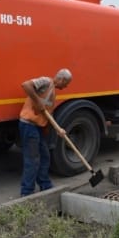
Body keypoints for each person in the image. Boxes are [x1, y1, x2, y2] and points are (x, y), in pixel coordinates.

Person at [19, 68, 72, 196]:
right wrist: (37, 102)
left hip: (38, 127)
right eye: (66, 83)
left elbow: (48, 115)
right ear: (62, 79)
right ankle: (27, 192)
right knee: (33, 159)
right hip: (29, 125)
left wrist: (58, 129)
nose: (65, 87)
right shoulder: (46, 82)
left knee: (44, 155)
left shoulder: (53, 92)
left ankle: (45, 184)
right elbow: (26, 85)